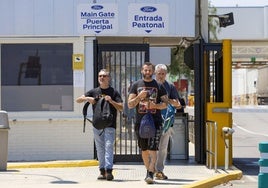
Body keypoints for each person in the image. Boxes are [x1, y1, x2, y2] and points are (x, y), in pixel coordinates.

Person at [76, 69, 123, 181]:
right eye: (100, 76)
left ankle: (109, 170)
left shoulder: (114, 92)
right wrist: (88, 98)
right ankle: (102, 171)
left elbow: (121, 107)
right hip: (97, 124)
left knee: (108, 146)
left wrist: (111, 101)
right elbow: (78, 100)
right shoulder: (94, 91)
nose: (101, 78)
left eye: (104, 76)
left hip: (110, 124)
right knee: (100, 148)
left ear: (109, 78)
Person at [128, 62, 168, 184]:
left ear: (152, 72)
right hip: (140, 122)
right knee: (144, 149)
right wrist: (139, 97)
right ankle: (148, 171)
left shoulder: (159, 86)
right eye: (145, 70)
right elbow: (130, 105)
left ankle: (150, 172)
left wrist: (155, 105)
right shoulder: (136, 85)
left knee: (153, 148)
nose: (147, 72)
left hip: (156, 121)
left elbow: (165, 104)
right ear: (142, 71)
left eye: (149, 70)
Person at [154, 64, 182, 180]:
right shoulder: (151, 85)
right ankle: (151, 170)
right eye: (159, 73)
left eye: (163, 74)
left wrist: (168, 100)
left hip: (166, 121)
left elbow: (178, 104)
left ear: (166, 74)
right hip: (152, 121)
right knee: (151, 148)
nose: (161, 76)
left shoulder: (170, 86)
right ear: (155, 73)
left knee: (163, 148)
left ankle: (159, 171)